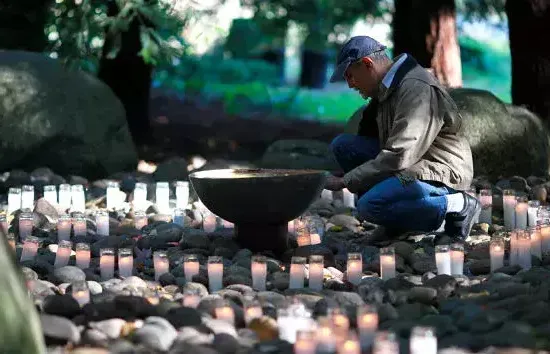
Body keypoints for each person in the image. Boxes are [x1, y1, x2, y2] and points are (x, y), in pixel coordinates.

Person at [325, 35, 479, 242]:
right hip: (413, 162)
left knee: (369, 206)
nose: (350, 85)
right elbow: (379, 143)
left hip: (438, 169)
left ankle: (458, 205)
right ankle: (395, 224)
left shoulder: (415, 88)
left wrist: (346, 180)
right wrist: (352, 172)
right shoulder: (387, 85)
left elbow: (399, 154)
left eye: (350, 76)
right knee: (344, 146)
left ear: (368, 64)